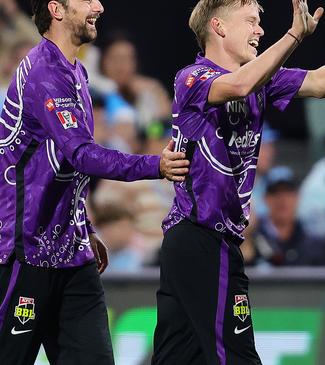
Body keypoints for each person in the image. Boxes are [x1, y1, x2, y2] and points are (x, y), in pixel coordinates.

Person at [153, 0, 325, 364]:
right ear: (218, 27)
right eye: (251, 21)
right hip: (200, 238)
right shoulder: (192, 78)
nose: (260, 30)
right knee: (239, 357)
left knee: (177, 358)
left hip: (208, 243)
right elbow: (238, 85)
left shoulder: (260, 78)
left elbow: (323, 82)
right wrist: (295, 34)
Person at [0, 0, 189, 364]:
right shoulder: (43, 73)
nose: (99, 6)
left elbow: (65, 170)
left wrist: (83, 225)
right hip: (26, 253)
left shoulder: (77, 73)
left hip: (73, 255)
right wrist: (157, 165)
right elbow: (81, 155)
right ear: (57, 9)